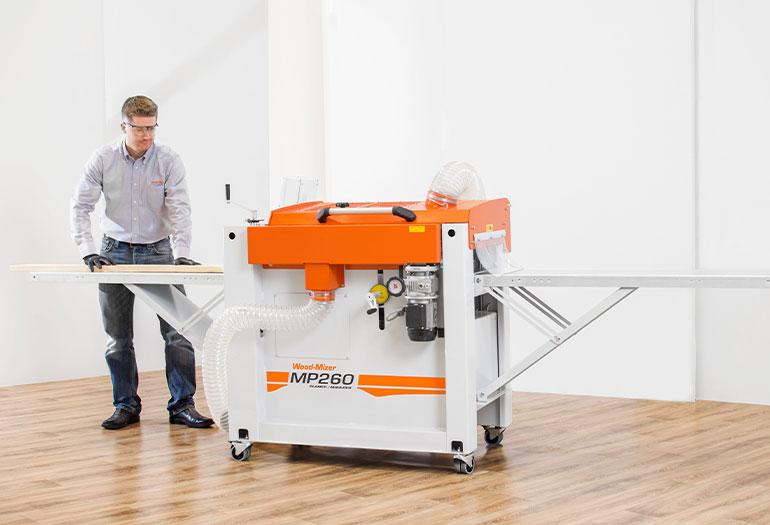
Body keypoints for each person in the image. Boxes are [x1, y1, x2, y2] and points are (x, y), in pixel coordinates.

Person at [70, 95, 214, 430]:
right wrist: (87, 250)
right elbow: (80, 205)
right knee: (117, 337)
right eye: (139, 129)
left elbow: (180, 209)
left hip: (158, 253)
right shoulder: (103, 159)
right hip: (113, 253)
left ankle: (182, 406)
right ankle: (125, 406)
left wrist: (181, 253)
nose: (146, 135)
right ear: (124, 126)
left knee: (178, 332)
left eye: (151, 128)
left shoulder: (168, 160)